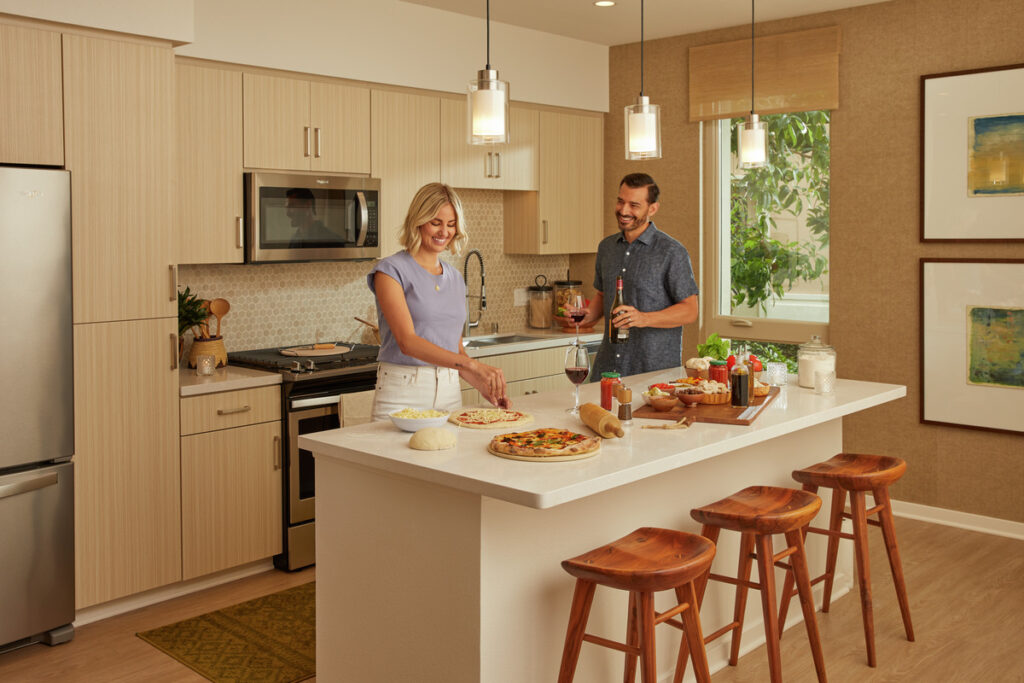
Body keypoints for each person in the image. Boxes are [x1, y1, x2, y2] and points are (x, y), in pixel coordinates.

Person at [366, 182, 509, 422]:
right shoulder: (390, 272)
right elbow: (408, 342)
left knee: (447, 458)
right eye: (436, 223)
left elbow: (455, 349)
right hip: (402, 392)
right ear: (418, 220)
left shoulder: (455, 278)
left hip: (449, 393)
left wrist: (483, 386)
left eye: (451, 224)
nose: (444, 232)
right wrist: (473, 365)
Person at [558, 172, 698, 378]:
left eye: (634, 205)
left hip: (653, 373)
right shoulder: (606, 248)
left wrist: (644, 318)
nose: (624, 210)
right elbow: (603, 296)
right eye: (620, 201)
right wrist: (586, 316)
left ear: (652, 208)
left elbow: (690, 310)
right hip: (607, 371)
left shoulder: (671, 251)